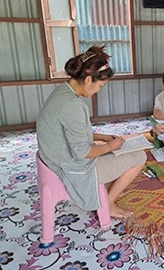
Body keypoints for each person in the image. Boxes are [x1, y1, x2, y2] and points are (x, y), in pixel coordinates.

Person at [37, 46, 146, 219]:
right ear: (89, 80)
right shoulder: (73, 106)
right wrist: (111, 145)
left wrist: (101, 137)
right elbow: (82, 153)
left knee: (108, 148)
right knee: (139, 157)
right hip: (71, 168)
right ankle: (107, 204)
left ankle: (106, 193)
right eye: (100, 86)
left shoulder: (63, 91)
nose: (98, 91)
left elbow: (70, 131)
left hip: (55, 158)